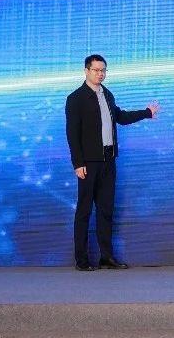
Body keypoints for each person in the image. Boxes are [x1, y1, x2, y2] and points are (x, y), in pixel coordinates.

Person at [65, 54, 159, 271]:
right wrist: (77, 163)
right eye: (96, 70)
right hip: (88, 162)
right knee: (84, 211)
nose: (100, 74)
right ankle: (81, 259)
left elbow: (120, 117)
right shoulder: (75, 98)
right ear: (86, 71)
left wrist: (146, 113)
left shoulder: (107, 94)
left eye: (103, 70)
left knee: (106, 210)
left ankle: (106, 257)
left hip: (109, 160)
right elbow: (72, 133)